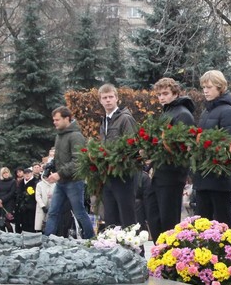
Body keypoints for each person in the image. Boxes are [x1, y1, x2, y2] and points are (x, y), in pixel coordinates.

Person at [193, 70, 231, 225]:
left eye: (209, 87)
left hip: (220, 179)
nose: (205, 91)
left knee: (222, 223)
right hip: (204, 177)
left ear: (220, 87)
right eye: (203, 87)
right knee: (201, 224)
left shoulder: (227, 111)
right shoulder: (206, 111)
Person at [152, 78, 196, 237]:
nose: (161, 97)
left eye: (165, 93)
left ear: (176, 93)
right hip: (160, 172)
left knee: (168, 220)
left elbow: (183, 148)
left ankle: (170, 250)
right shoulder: (167, 112)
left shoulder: (183, 114)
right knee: (157, 218)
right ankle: (161, 249)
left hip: (172, 174)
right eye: (159, 94)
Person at [43, 106, 95, 240]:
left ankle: (91, 238)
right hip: (62, 181)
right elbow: (58, 157)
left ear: (67, 118)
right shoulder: (59, 135)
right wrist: (50, 166)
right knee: (53, 212)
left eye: (57, 120)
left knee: (79, 213)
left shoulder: (76, 136)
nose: (54, 122)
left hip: (74, 181)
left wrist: (59, 174)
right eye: (54, 120)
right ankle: (46, 239)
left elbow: (78, 161)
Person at [98, 83, 139, 228]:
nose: (108, 100)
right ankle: (113, 242)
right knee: (110, 216)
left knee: (127, 215)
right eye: (104, 98)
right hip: (108, 174)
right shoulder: (104, 121)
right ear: (100, 100)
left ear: (117, 98)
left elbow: (132, 145)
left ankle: (134, 242)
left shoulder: (125, 118)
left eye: (110, 97)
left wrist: (119, 160)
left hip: (124, 174)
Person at [16, 167, 38, 233]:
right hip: (22, 207)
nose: (27, 175)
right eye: (25, 173)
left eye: (28, 173)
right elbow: (18, 192)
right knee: (23, 224)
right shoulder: (21, 182)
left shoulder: (35, 181)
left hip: (32, 206)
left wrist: (31, 193)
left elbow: (37, 194)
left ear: (32, 173)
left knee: (31, 224)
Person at [0, 167, 17, 232]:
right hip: (0, 203)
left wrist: (2, 199)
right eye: (4, 173)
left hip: (9, 203)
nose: (6, 174)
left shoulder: (13, 181)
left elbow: (11, 193)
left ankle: (11, 235)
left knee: (7, 221)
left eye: (7, 172)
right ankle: (2, 235)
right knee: (1, 222)